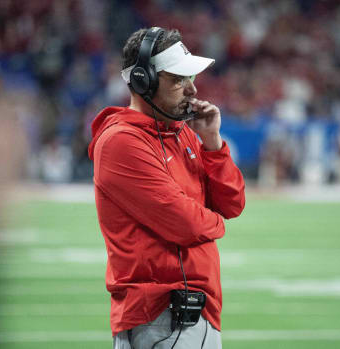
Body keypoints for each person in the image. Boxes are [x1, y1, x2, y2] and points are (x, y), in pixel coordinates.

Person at [88, 27, 246, 348]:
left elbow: (233, 204)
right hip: (162, 316)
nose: (191, 89)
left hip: (187, 313)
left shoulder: (183, 132)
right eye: (178, 80)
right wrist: (214, 224)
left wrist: (213, 143)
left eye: (190, 78)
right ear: (142, 81)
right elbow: (184, 223)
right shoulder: (121, 141)